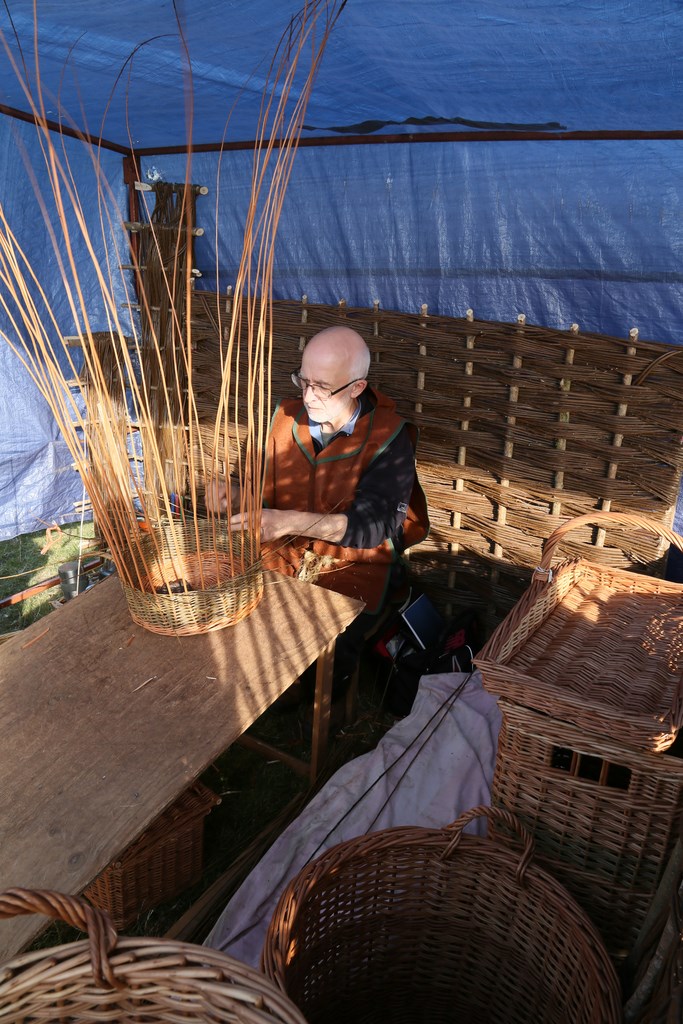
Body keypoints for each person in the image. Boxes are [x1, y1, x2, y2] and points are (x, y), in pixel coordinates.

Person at [208, 324, 429, 706]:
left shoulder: (389, 438)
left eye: (322, 386)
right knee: (238, 606)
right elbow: (255, 484)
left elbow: (371, 527)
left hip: (352, 564)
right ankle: (252, 684)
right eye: (304, 380)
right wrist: (234, 496)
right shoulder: (282, 417)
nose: (308, 395)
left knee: (324, 639)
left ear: (357, 387)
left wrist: (289, 521)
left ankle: (311, 698)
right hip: (280, 551)